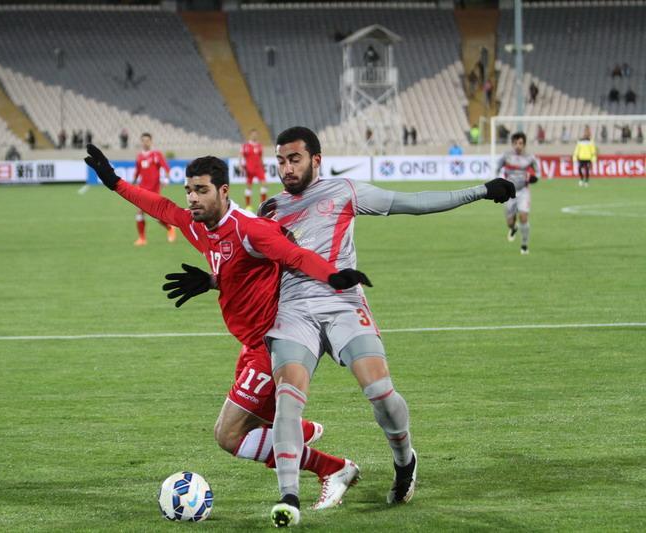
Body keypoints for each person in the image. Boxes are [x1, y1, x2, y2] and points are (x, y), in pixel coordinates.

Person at [169, 127, 514, 527]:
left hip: (342, 303)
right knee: (288, 401)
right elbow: (254, 265)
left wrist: (481, 191)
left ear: (316, 160)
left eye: (295, 159)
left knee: (380, 392)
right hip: (292, 312)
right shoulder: (269, 209)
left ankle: (405, 461)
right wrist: (213, 280)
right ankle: (289, 498)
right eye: (280, 161)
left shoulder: (345, 191)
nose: (286, 168)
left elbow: (414, 202)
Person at [84, 146, 371, 511]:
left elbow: (295, 255)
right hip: (250, 344)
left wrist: (334, 276)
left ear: (223, 191)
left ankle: (333, 468)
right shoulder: (199, 225)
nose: (192, 198)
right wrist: (114, 182)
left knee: (229, 435)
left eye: (201, 190)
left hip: (273, 344)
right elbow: (161, 208)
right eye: (189, 190)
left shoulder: (249, 228)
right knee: (257, 423)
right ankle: (296, 429)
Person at [496, 132, 539, 255]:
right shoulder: (506, 156)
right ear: (512, 144)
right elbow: (496, 168)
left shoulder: (530, 158)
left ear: (524, 144)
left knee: (523, 217)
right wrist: (497, 182)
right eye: (515, 143)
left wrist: (534, 178)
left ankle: (524, 245)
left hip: (523, 191)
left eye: (520, 143)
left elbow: (538, 171)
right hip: (509, 192)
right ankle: (513, 228)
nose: (517, 146)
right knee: (510, 222)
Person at [133, 133, 174, 245]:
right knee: (139, 213)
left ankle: (170, 228)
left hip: (154, 190)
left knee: (156, 216)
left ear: (151, 141)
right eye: (143, 141)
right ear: (141, 142)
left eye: (147, 140)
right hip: (142, 190)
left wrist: (166, 179)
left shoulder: (156, 154)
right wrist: (133, 183)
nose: (145, 143)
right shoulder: (139, 157)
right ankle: (142, 239)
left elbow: (166, 168)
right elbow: (137, 172)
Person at [240, 128, 267, 211]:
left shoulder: (259, 146)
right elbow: (241, 156)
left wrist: (263, 166)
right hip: (249, 169)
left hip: (259, 168)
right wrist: (241, 166)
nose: (254, 136)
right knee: (249, 187)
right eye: (253, 134)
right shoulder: (245, 146)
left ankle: (263, 205)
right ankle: (248, 206)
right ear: (250, 135)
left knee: (264, 184)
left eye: (256, 134)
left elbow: (261, 157)